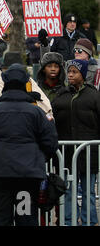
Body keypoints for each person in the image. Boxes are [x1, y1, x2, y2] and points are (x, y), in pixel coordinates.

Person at [0, 63, 59, 226]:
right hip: (26, 177)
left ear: (5, 83)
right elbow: (51, 142)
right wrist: (38, 158)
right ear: (25, 83)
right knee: (25, 219)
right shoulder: (36, 112)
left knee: (0, 221)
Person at [51, 59, 100, 226]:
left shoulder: (94, 95)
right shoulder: (61, 95)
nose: (70, 75)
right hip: (66, 153)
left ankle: (89, 221)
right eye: (69, 71)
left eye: (75, 72)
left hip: (89, 153)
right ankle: (68, 220)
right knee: (68, 191)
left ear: (83, 75)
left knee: (88, 192)